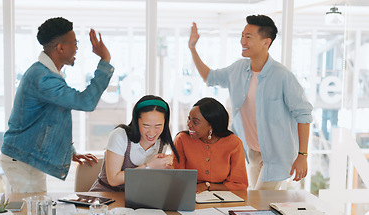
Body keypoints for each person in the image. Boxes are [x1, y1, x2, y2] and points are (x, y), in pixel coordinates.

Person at [188, 15, 313, 190]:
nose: (242, 41)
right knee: (254, 204)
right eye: (242, 35)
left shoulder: (282, 76)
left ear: (266, 42)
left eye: (249, 37)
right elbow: (210, 77)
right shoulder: (238, 69)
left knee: (258, 203)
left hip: (277, 156)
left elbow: (304, 116)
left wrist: (302, 156)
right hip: (251, 153)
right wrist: (193, 48)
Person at [0, 17, 114, 193]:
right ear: (61, 47)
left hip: (27, 157)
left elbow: (49, 119)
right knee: (31, 214)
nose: (77, 48)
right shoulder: (43, 78)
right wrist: (105, 60)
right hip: (23, 159)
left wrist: (70, 151)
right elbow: (86, 101)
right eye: (75, 43)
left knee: (35, 212)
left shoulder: (47, 74)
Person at [89, 95, 180, 192]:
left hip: (137, 196)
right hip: (105, 196)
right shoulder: (120, 136)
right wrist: (149, 166)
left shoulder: (162, 142)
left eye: (158, 126)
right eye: (146, 126)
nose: (152, 133)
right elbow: (113, 180)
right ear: (136, 122)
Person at [173, 97, 248, 192]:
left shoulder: (234, 143)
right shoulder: (182, 140)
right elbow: (178, 178)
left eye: (195, 122)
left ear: (211, 126)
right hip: (191, 194)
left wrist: (207, 186)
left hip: (224, 199)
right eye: (189, 119)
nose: (189, 125)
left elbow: (240, 184)